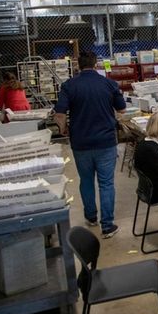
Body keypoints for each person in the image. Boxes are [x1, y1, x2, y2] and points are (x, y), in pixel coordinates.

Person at [54, 52, 127, 239]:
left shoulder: (69, 85)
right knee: (106, 183)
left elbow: (60, 114)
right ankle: (107, 225)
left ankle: (91, 216)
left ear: (79, 65)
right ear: (96, 64)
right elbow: (121, 109)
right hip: (105, 142)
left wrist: (63, 129)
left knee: (86, 180)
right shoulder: (109, 84)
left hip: (81, 143)